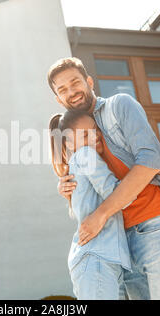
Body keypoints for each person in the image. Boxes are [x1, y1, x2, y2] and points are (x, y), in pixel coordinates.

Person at [47, 57, 160, 300]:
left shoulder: (119, 105)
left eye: (75, 83)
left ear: (89, 82)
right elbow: (85, 186)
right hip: (119, 241)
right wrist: (66, 185)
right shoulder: (74, 135)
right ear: (59, 99)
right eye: (63, 90)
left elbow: (150, 159)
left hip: (153, 223)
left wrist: (100, 214)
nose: (72, 92)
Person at [49, 110, 135, 299]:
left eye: (95, 130)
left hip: (105, 260)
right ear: (69, 142)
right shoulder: (85, 155)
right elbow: (119, 195)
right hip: (97, 258)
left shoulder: (80, 162)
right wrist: (145, 171)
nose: (95, 136)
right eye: (86, 135)